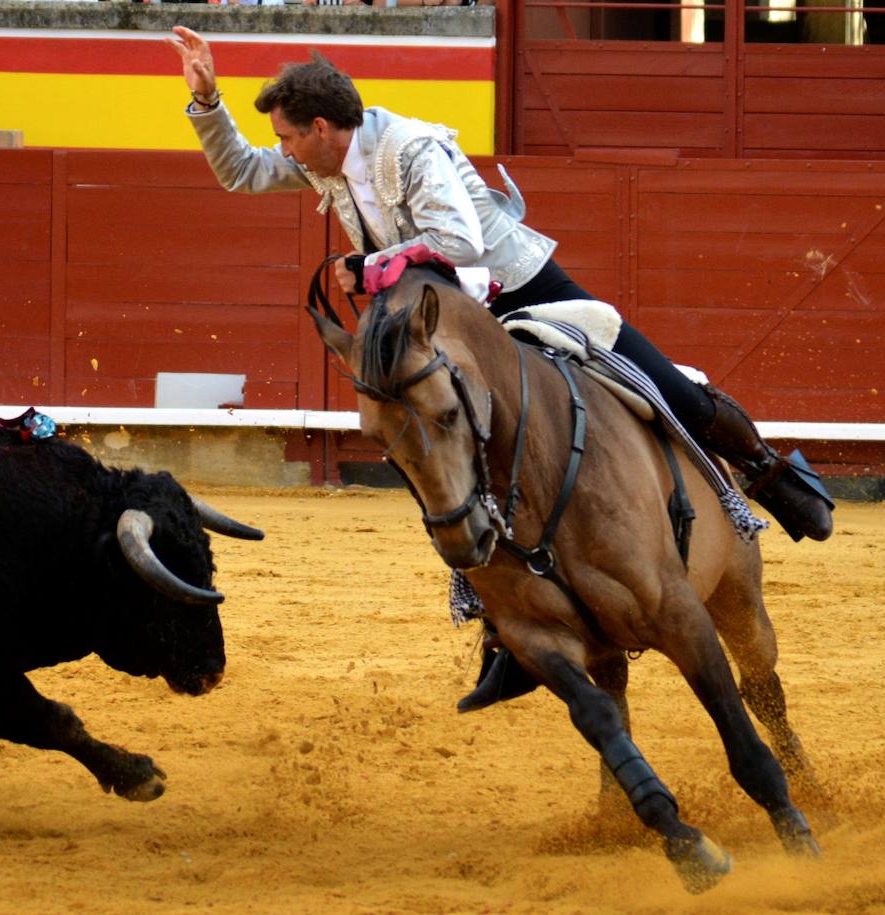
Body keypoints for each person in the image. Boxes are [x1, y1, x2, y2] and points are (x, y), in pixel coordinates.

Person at [168, 25, 834, 711]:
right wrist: (207, 102)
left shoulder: (412, 149)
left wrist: (368, 266)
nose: (282, 152)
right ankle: (505, 629)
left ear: (320, 127)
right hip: (453, 316)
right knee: (450, 459)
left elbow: (460, 241)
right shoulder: (325, 160)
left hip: (518, 286)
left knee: (658, 382)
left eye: (286, 138)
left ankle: (766, 474)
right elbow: (241, 171)